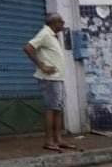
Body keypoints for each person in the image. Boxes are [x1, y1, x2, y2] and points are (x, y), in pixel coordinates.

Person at [23, 12, 76, 152]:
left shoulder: (52, 35)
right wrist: (42, 66)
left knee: (57, 108)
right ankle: (49, 141)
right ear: (54, 22)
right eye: (61, 22)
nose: (63, 24)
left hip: (57, 78)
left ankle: (58, 139)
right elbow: (27, 48)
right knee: (51, 109)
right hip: (49, 79)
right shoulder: (45, 34)